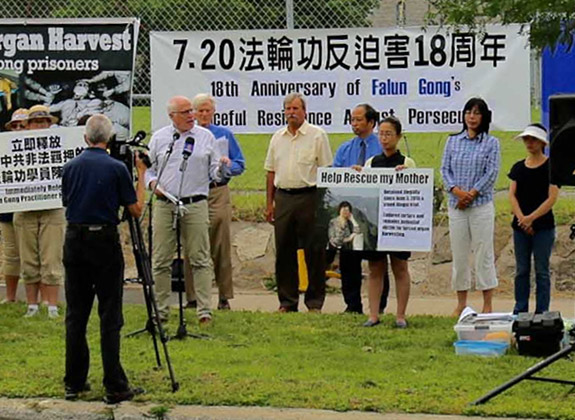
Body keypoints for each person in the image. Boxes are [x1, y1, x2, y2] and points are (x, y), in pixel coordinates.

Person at [61, 114, 145, 403]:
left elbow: (66, 202)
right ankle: (115, 383)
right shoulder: (115, 168)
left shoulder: (70, 167)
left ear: (86, 137)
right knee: (110, 314)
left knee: (76, 313)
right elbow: (135, 209)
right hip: (104, 240)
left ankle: (74, 380)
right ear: (108, 140)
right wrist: (141, 175)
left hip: (74, 239)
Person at [145, 95, 230, 325]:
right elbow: (148, 170)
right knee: (161, 260)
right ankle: (161, 311)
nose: (191, 116)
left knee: (200, 258)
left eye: (191, 111)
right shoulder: (161, 138)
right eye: (185, 112)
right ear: (172, 116)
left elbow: (214, 172)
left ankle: (204, 311)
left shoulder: (205, 137)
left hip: (195, 203)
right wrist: (152, 184)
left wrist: (221, 168)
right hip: (165, 204)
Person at [264, 92, 333, 312]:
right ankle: (287, 301)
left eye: (295, 108)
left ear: (304, 111)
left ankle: (314, 302)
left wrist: (325, 204)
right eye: (288, 109)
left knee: (314, 252)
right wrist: (269, 203)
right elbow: (270, 172)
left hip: (310, 196)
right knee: (284, 251)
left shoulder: (316, 135)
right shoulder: (277, 137)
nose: (291, 113)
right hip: (284, 197)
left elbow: (325, 170)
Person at [183, 93, 246, 311]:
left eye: (207, 110)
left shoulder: (223, 135)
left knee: (220, 243)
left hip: (217, 191)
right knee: (193, 244)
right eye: (199, 110)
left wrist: (227, 165)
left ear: (213, 112)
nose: (203, 114)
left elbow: (241, 163)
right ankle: (193, 297)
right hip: (194, 191)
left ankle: (224, 296)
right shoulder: (188, 135)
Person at [440, 97, 500, 316]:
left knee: (484, 253)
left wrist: (472, 194)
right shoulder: (453, 141)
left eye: (476, 113)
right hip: (457, 206)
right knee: (460, 254)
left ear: (484, 117)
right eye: (468, 112)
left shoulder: (491, 143)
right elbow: (444, 170)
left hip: (480, 205)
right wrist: (456, 191)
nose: (472, 117)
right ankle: (461, 302)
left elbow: (491, 172)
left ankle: (487, 303)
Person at [357, 116, 415, 328]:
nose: (384, 138)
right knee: (375, 268)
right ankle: (373, 314)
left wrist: (407, 176)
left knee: (400, 267)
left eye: (389, 133)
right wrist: (358, 175)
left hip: (398, 223)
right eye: (381, 133)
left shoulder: (406, 163)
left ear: (398, 136)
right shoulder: (372, 163)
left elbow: (416, 194)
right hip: (376, 223)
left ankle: (400, 315)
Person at [332, 104, 389, 314]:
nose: (354, 124)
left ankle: (379, 305)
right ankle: (352, 305)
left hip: (374, 214)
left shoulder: (382, 148)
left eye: (358, 120)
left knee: (377, 262)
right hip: (350, 213)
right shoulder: (345, 149)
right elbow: (334, 177)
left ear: (371, 122)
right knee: (348, 261)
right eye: (352, 120)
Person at [13, 105, 64, 318]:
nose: (41, 125)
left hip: (53, 208)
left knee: (51, 258)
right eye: (36, 122)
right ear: (28, 125)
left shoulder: (61, 144)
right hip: (24, 208)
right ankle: (32, 305)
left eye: (45, 122)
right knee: (28, 259)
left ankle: (51, 305)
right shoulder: (12, 146)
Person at [509, 123, 558, 314]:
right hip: (520, 227)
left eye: (533, 139)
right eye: (526, 139)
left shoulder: (551, 167)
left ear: (542, 143)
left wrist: (531, 218)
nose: (529, 143)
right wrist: (522, 218)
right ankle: (520, 309)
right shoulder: (518, 167)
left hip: (543, 226)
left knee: (542, 271)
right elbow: (512, 195)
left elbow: (552, 197)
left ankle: (542, 312)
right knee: (521, 270)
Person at [0, 108, 28, 303]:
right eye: (14, 126)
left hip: (34, 211)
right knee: (11, 255)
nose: (17, 129)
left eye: (22, 125)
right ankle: (10, 297)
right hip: (8, 210)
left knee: (36, 257)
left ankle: (39, 299)